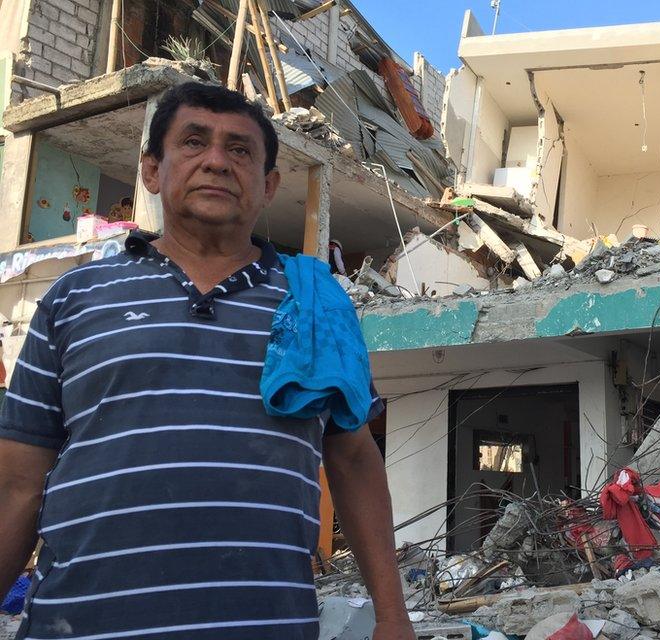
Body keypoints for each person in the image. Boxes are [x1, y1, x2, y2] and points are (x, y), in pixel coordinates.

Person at [0, 82, 413, 640]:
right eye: (194, 142)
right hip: (81, 626)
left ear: (268, 186)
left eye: (240, 150)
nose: (217, 161)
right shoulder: (76, 297)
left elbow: (355, 462)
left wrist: (392, 618)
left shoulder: (315, 305)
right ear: (151, 170)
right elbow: (17, 484)